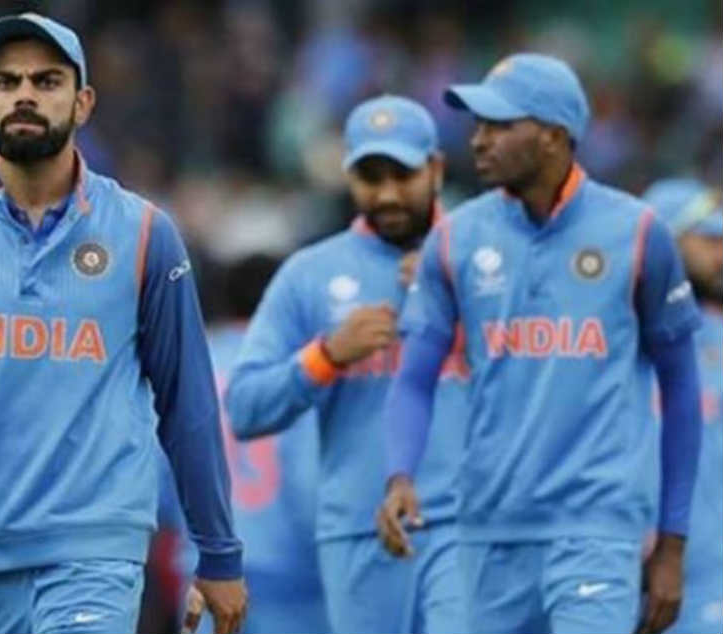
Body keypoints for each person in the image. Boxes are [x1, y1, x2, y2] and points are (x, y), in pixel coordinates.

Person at [0, 12, 246, 634]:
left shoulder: (144, 233)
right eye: (6, 82)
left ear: (83, 102)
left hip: (96, 546)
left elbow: (187, 401)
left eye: (47, 80)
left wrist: (218, 551)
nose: (25, 95)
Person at [380, 53, 704, 634]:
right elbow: (414, 378)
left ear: (554, 135)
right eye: (478, 125)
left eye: (499, 125)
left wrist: (672, 545)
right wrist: (400, 474)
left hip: (596, 530)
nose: (478, 140)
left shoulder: (636, 233)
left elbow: (681, 390)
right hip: (487, 530)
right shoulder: (456, 238)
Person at [226, 95, 468, 633]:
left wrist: (463, 302)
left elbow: (544, 381)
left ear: (436, 168)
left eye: (403, 174)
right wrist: (327, 355)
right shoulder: (310, 274)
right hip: (359, 533)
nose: (387, 194)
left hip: (468, 526)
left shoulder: (480, 260)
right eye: (369, 177)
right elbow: (244, 408)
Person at [162, 254, 331, 634]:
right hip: (291, 582)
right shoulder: (297, 372)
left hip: (202, 574)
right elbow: (309, 484)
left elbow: (157, 481)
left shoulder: (189, 362)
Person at [643, 179, 723, 634]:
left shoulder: (717, 335)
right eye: (709, 239)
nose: (721, 255)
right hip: (615, 559)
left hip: (707, 572)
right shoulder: (614, 334)